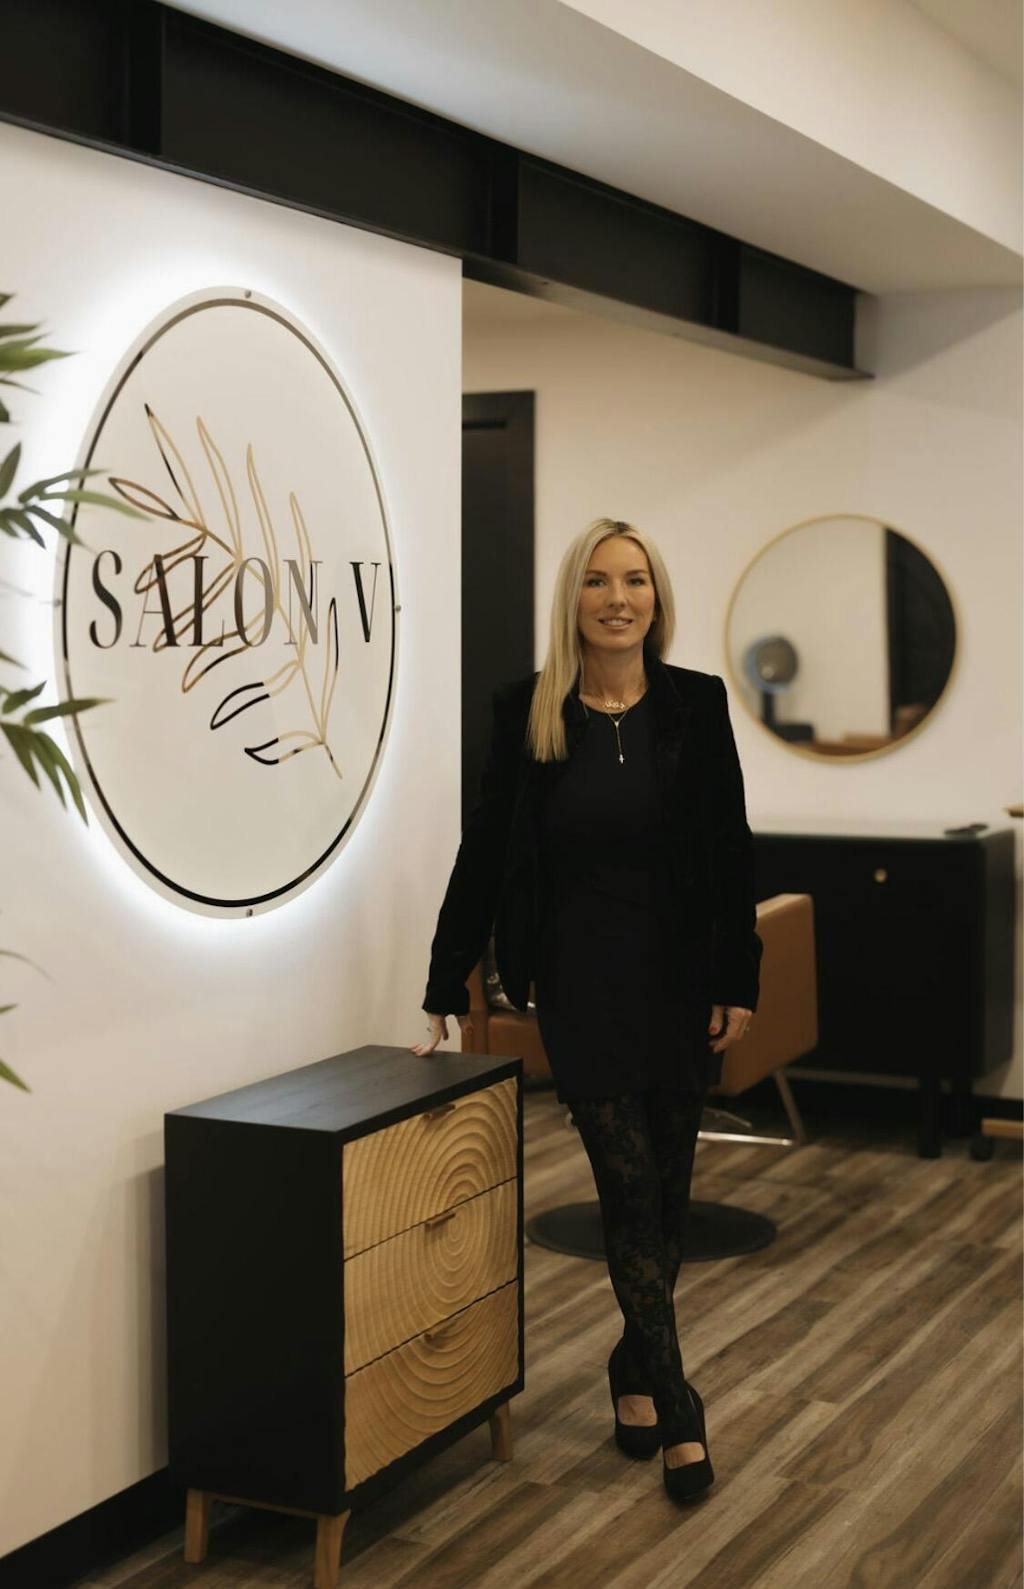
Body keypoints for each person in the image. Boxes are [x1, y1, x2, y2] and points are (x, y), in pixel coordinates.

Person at [411, 517, 762, 1503]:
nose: (618, 598)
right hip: (581, 984)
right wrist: (446, 979)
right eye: (599, 581)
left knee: (669, 1201)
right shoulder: (527, 712)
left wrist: (738, 976)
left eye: (635, 580)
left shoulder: (696, 704)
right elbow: (486, 851)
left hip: (677, 981)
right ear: (572, 599)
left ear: (656, 597)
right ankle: (680, 1405)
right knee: (629, 1190)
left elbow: (731, 848)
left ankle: (629, 1364)